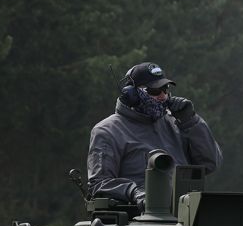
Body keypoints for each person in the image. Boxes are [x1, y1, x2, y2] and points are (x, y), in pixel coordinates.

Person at [87, 62, 223, 207]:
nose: (163, 96)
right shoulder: (108, 131)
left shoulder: (177, 124)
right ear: (131, 94)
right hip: (138, 221)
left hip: (185, 218)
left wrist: (191, 121)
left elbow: (210, 164)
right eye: (155, 91)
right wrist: (134, 191)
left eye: (165, 89)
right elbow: (99, 183)